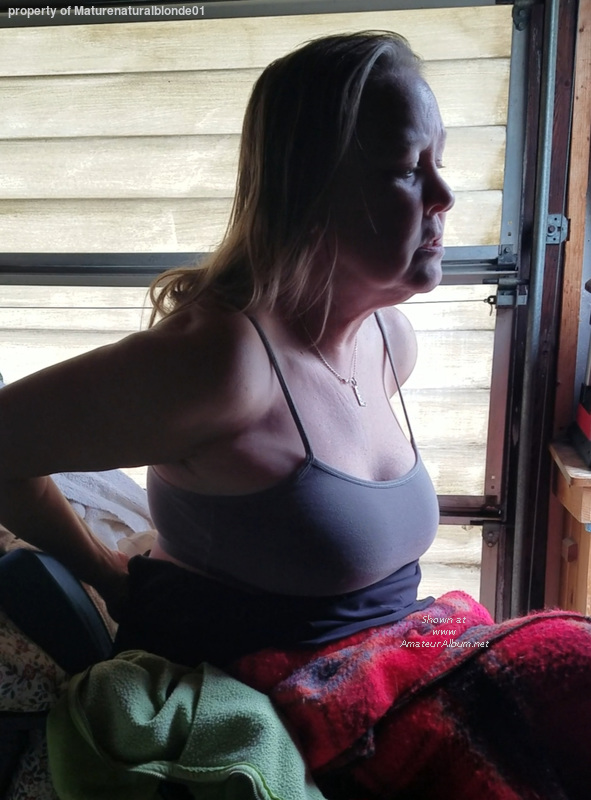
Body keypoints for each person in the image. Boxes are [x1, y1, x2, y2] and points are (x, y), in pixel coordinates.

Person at [0, 31, 590, 800]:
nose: (445, 195)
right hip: (276, 688)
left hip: (392, 663)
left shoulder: (390, 341)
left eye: (439, 161)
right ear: (310, 188)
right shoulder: (221, 362)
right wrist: (103, 574)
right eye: (406, 169)